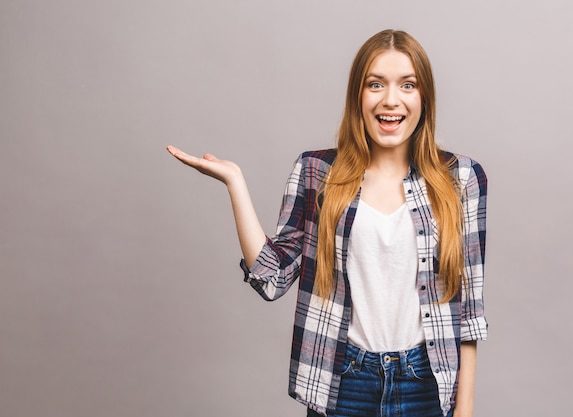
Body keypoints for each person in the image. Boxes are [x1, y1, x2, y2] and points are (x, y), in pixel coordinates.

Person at [166, 29, 487, 417]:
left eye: (407, 85)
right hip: (343, 380)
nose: (391, 100)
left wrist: (464, 410)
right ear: (358, 96)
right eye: (375, 84)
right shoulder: (317, 172)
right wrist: (236, 183)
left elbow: (468, 311)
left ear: (424, 97)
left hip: (427, 384)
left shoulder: (462, 179)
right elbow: (272, 278)